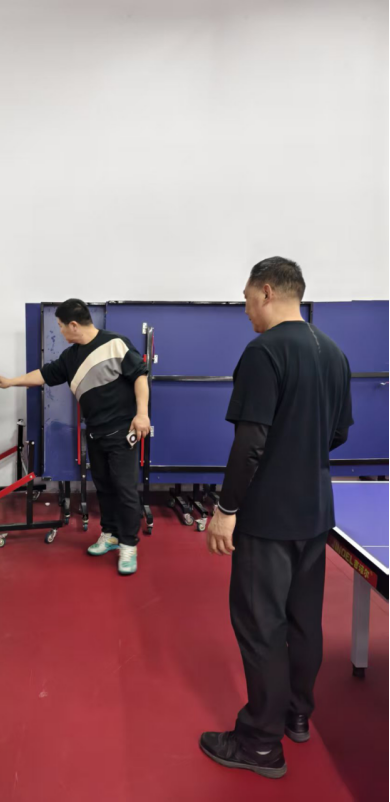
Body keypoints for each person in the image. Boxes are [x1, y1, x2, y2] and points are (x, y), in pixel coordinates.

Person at [200, 258, 353, 779]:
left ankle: (260, 743)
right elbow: (338, 433)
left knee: (262, 625)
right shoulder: (333, 353)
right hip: (315, 512)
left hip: (267, 518)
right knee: (304, 621)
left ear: (267, 291)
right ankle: (297, 715)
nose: (246, 311)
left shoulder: (264, 352)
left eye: (247, 300)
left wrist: (226, 510)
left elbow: (250, 442)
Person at [0, 299, 150, 576]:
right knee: (104, 487)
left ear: (73, 325)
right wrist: (11, 381)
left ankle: (128, 544)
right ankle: (111, 534)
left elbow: (139, 376)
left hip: (122, 432)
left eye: (61, 326)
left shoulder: (115, 344)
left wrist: (142, 414)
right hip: (96, 432)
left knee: (124, 489)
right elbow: (43, 375)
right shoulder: (71, 357)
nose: (61, 331)